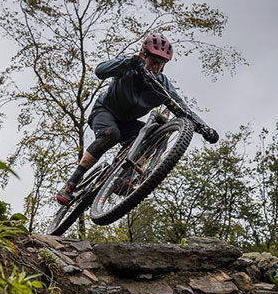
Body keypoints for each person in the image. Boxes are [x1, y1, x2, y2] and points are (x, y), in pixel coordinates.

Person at [56, 33, 219, 206]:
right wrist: (129, 62)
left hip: (128, 122)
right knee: (111, 134)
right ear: (143, 55)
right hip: (105, 111)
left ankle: (125, 177)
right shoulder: (130, 66)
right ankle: (71, 184)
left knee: (156, 137)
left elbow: (183, 110)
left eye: (160, 63)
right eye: (152, 61)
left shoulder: (163, 86)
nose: (155, 67)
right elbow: (100, 71)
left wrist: (204, 129)